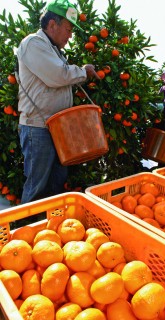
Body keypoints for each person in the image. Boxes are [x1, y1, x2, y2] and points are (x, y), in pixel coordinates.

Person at [16, 0, 100, 204]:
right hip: (38, 127)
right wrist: (83, 71)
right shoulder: (33, 44)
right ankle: (26, 230)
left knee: (56, 182)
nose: (70, 36)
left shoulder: (53, 50)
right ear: (52, 24)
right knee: (37, 186)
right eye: (68, 29)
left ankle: (51, 230)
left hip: (58, 128)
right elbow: (57, 75)